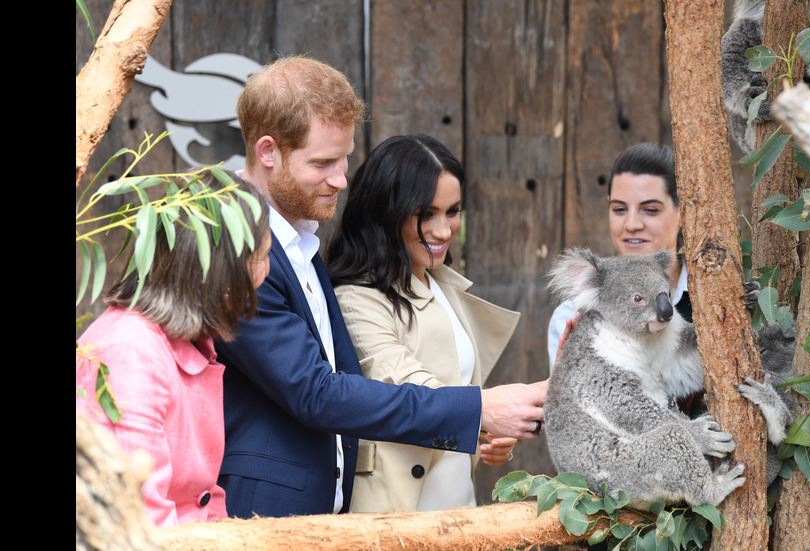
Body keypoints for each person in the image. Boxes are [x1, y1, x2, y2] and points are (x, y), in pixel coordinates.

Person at [214, 55, 546, 518]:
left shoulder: (304, 242)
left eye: (345, 157)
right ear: (267, 152)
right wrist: (480, 411)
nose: (341, 178)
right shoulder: (234, 245)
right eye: (323, 162)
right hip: (266, 512)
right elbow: (316, 392)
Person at [328, 134, 522, 512]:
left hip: (458, 511)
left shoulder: (444, 286)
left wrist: (493, 433)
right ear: (385, 212)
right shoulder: (355, 297)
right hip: (394, 514)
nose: (443, 230)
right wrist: (488, 413)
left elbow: (459, 389)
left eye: (453, 211)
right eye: (426, 214)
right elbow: (409, 389)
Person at [75, 170, 271, 527]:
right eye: (260, 257)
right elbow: (136, 517)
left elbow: (204, 496)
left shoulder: (189, 342)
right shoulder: (130, 353)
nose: (265, 273)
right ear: (218, 268)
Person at [547, 143, 689, 367]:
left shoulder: (716, 295)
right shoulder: (574, 314)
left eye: (650, 210)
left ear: (684, 212)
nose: (631, 225)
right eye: (619, 209)